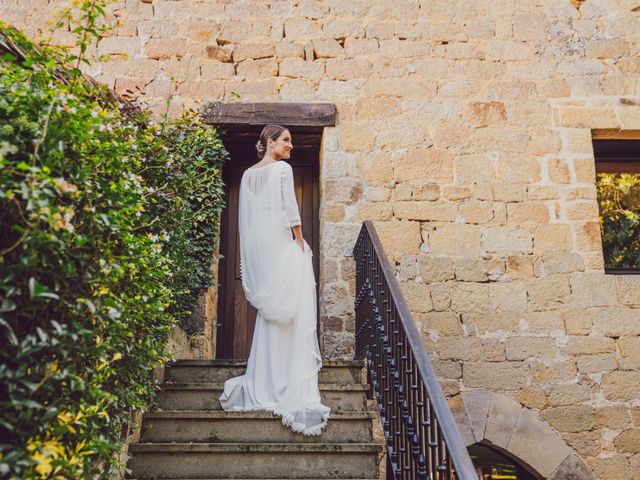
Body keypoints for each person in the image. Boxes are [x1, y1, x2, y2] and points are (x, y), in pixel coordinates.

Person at [218, 124, 331, 436]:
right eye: (286, 140)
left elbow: (247, 221)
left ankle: (265, 380)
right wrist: (299, 241)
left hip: (261, 251)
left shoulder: (247, 176)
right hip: (282, 246)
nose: (291, 146)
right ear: (270, 143)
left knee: (274, 313)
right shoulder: (282, 169)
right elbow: (289, 208)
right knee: (294, 312)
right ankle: (288, 381)